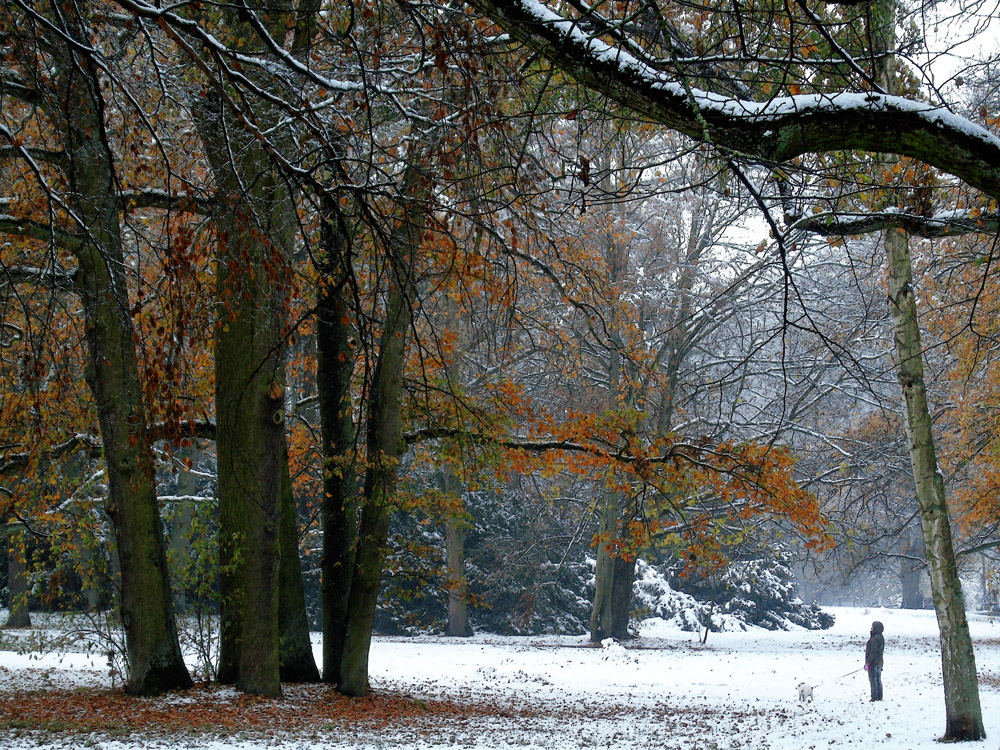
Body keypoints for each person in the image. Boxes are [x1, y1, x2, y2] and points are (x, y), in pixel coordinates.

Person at [864, 620, 885, 701]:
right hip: (879, 662)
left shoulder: (874, 639)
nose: (871, 628)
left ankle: (874, 698)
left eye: (872, 627)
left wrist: (868, 663)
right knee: (878, 680)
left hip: (873, 663)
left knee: (873, 680)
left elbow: (872, 652)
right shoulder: (880, 637)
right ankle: (879, 697)